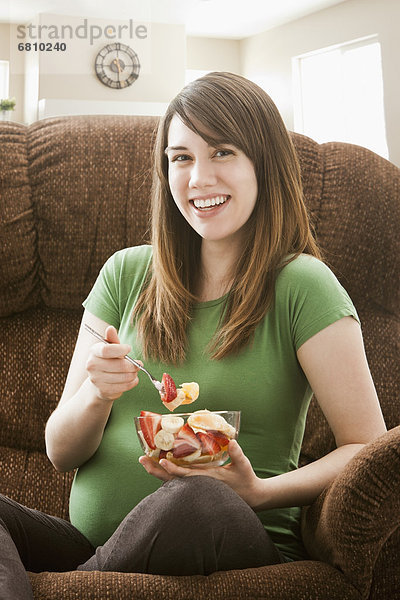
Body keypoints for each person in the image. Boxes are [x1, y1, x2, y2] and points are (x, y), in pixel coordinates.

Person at [0, 72, 387, 599]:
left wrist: (257, 492)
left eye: (222, 152)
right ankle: (88, 580)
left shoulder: (303, 285)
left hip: (223, 534)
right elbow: (61, 452)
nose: (198, 178)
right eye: (181, 158)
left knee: (195, 496)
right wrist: (95, 393)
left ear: (264, 166)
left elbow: (366, 446)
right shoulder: (125, 274)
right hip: (91, 545)